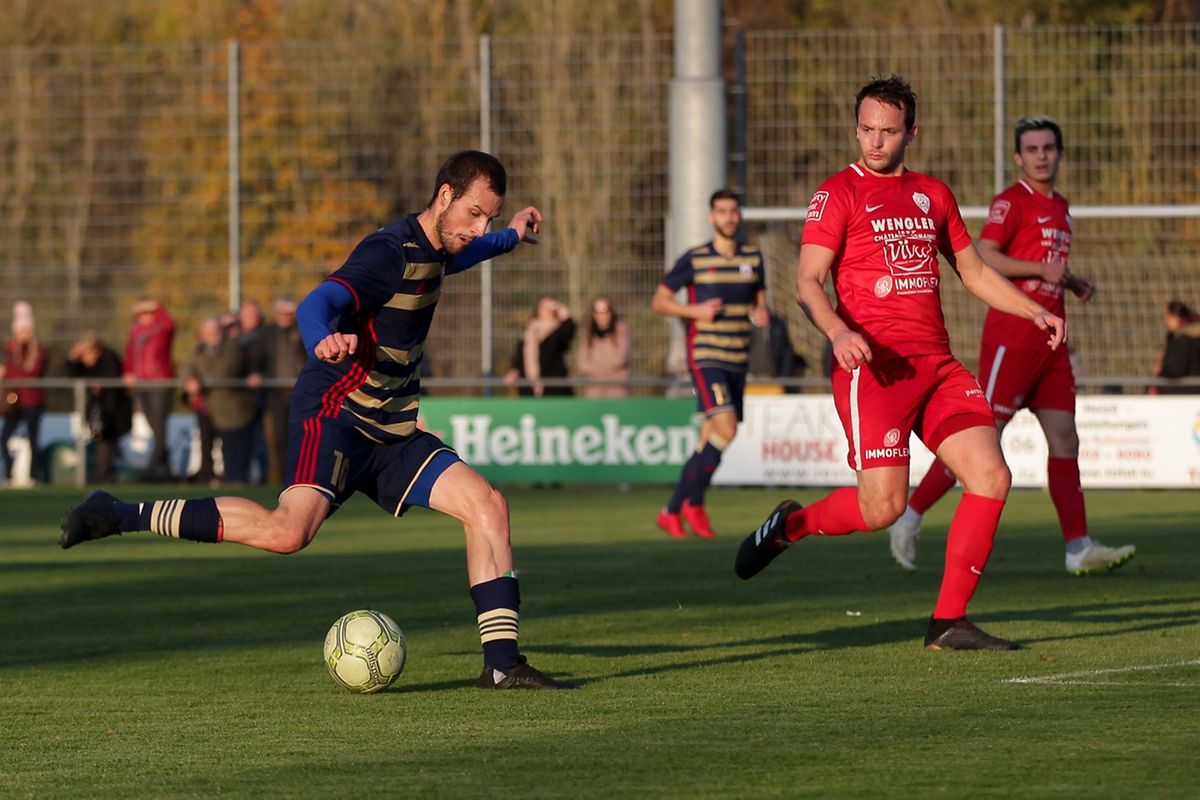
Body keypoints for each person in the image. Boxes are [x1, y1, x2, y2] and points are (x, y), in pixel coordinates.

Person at [60, 150, 572, 689]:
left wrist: (511, 235)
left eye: (488, 216)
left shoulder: (442, 246)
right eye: (474, 212)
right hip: (338, 415)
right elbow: (316, 302)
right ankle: (121, 513)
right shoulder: (386, 252)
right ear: (444, 196)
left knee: (487, 505)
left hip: (394, 427)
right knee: (287, 533)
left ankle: (501, 664)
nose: (479, 226)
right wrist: (320, 338)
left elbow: (463, 255)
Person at [734, 76, 1066, 651]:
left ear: (912, 132)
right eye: (866, 129)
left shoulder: (933, 194)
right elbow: (809, 282)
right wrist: (837, 331)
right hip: (873, 369)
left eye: (888, 131)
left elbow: (977, 273)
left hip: (936, 365)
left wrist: (1032, 309)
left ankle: (948, 622)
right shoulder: (838, 192)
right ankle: (792, 525)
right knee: (883, 508)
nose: (875, 141)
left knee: (991, 475)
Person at [887, 116, 1135, 578]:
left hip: (1051, 343)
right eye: (1032, 148)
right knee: (982, 440)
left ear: (1060, 154)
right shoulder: (1011, 201)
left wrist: (1071, 281)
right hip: (1013, 339)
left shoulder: (1061, 206)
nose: (1041, 155)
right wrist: (1041, 270)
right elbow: (986, 254)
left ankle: (1077, 547)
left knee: (1065, 438)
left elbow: (1045, 268)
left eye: (1048, 147)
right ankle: (910, 514)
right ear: (1019, 157)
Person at [652, 188, 768, 540]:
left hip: (738, 357)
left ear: (739, 216)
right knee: (727, 428)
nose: (728, 217)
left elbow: (758, 300)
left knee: (711, 436)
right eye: (722, 211)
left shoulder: (753, 257)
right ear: (711, 217)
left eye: (733, 211)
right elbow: (660, 301)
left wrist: (759, 312)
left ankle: (673, 509)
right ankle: (694, 505)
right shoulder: (696, 258)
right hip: (707, 356)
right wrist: (694, 311)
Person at [185, 317, 257, 485]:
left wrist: (199, 381)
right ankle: (208, 477)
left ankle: (236, 480)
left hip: (231, 408)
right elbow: (187, 370)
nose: (211, 336)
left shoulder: (233, 348)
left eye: (214, 332)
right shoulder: (197, 350)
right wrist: (189, 380)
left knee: (234, 447)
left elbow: (224, 373)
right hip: (207, 406)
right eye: (207, 333)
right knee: (206, 445)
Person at [66, 333, 133, 484]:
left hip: (113, 411)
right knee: (102, 443)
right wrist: (72, 358)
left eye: (86, 354)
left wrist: (100, 385)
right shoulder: (87, 364)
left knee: (107, 443)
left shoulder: (109, 358)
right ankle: (104, 476)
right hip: (99, 411)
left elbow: (113, 380)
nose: (83, 359)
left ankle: (103, 476)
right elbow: (73, 374)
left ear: (95, 350)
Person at [255, 296, 307, 484]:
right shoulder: (267, 334)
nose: (287, 317)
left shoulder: (302, 331)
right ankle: (280, 477)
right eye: (283, 313)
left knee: (301, 437)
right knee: (277, 438)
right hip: (276, 393)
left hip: (301, 391)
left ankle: (300, 477)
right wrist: (256, 373)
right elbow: (256, 359)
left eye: (290, 313)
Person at [123, 298, 176, 481]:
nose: (144, 316)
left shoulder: (161, 330)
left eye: (148, 312)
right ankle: (168, 472)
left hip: (160, 383)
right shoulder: (135, 332)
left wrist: (156, 305)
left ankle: (150, 471)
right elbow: (129, 355)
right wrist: (128, 372)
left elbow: (169, 323)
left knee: (160, 429)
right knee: (156, 430)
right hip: (142, 385)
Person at [1, 301, 48, 486]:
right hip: (14, 403)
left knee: (33, 440)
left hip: (32, 402)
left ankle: (34, 475)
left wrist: (7, 371)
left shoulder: (39, 352)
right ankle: (10, 474)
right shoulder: (11, 350)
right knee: (4, 438)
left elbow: (29, 373)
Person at [505, 296, 575, 397]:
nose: (546, 310)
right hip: (529, 384)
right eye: (543, 306)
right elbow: (520, 354)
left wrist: (558, 306)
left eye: (549, 307)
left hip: (554, 383)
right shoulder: (530, 329)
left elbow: (570, 324)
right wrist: (514, 369)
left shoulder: (559, 329)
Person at [577, 296, 631, 398]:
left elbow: (620, 359)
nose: (602, 315)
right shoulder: (588, 333)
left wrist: (597, 369)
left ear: (611, 312)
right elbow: (582, 364)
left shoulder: (621, 329)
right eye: (597, 311)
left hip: (617, 387)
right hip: (594, 388)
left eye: (605, 310)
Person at [1153, 299, 1200, 394]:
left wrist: (1161, 369)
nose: (1165, 321)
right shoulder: (1188, 337)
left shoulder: (1183, 340)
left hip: (1183, 394)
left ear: (1176, 317)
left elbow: (1176, 369)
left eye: (1167, 317)